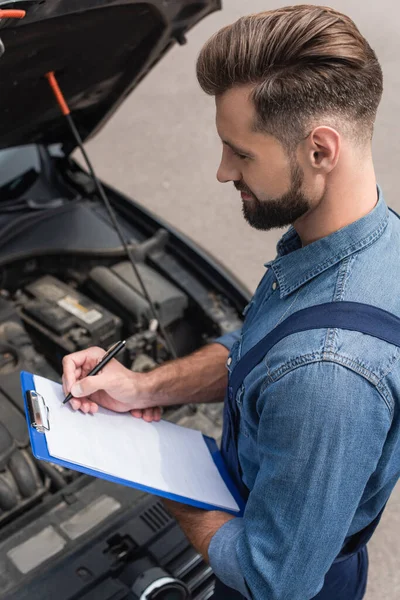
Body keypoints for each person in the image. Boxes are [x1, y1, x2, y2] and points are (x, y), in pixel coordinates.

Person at [61, 5, 400, 599]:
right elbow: (262, 351)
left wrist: (161, 475)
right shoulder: (370, 238)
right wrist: (143, 387)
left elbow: (273, 579)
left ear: (321, 150)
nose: (222, 172)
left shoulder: (329, 375)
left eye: (241, 153)